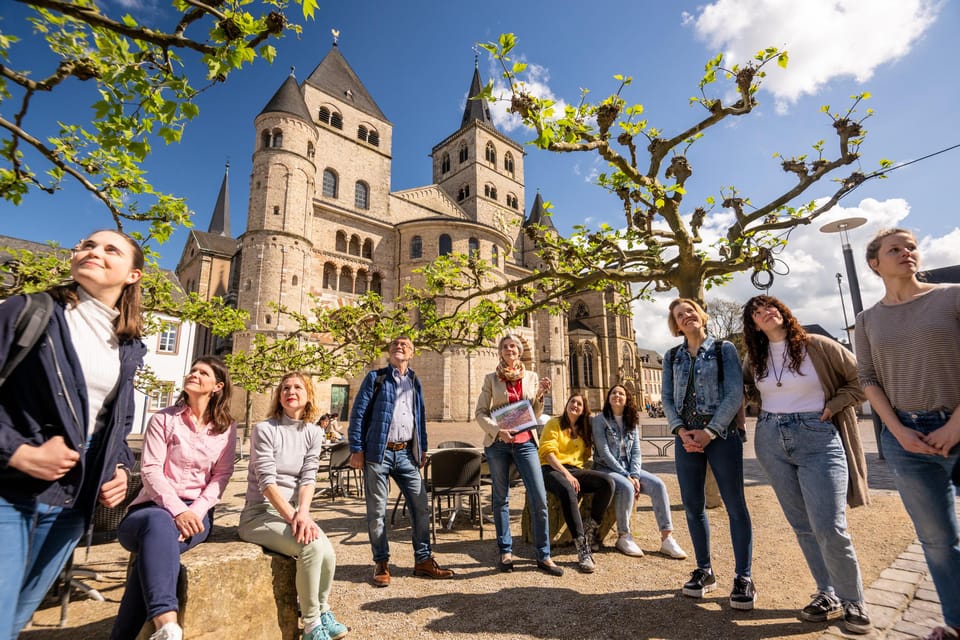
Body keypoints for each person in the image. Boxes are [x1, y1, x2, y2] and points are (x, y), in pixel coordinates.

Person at [0, 229, 146, 638]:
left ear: (132, 275)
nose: (93, 251)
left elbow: (117, 419)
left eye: (109, 249)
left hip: (73, 501)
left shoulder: (128, 344)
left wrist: (119, 465)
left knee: (14, 619)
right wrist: (17, 452)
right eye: (87, 245)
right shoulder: (28, 310)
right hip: (11, 491)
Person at [742, 295, 872, 634]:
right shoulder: (753, 356)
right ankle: (826, 593)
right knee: (802, 524)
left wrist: (834, 405)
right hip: (770, 438)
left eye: (769, 307)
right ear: (753, 324)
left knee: (829, 525)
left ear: (782, 311)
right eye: (756, 312)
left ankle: (853, 599)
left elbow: (863, 379)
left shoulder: (817, 345)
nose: (764, 313)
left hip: (818, 434)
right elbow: (745, 388)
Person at [855, 228, 960, 640]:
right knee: (937, 540)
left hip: (957, 422)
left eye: (912, 246)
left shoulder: (951, 296)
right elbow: (867, 377)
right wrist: (897, 431)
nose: (906, 253)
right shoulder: (867, 319)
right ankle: (955, 622)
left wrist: (956, 423)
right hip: (907, 439)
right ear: (875, 264)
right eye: (894, 249)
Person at [111, 356, 237, 640]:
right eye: (192, 370)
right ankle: (167, 622)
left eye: (202, 372)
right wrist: (179, 511)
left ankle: (132, 635)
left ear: (217, 386)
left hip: (196, 513)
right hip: (149, 509)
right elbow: (151, 470)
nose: (194, 373)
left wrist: (197, 511)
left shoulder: (227, 428)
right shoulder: (163, 419)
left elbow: (222, 476)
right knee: (159, 524)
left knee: (153, 554)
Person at [661, 297, 755, 610]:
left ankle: (743, 577)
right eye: (679, 315)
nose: (686, 316)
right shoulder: (672, 356)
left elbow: (734, 393)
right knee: (692, 506)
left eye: (689, 311)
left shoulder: (723, 349)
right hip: (686, 437)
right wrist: (679, 430)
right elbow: (666, 398)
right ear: (676, 325)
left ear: (701, 316)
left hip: (721, 435)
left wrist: (710, 431)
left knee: (735, 506)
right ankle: (704, 570)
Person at [240, 372, 348, 640]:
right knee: (310, 548)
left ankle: (323, 611)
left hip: (292, 513)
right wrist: (293, 517)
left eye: (298, 387)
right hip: (260, 513)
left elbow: (308, 476)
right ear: (279, 395)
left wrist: (304, 513)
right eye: (285, 387)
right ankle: (311, 625)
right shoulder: (265, 429)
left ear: (309, 394)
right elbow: (266, 481)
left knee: (328, 552)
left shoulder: (313, 431)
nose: (291, 391)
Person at [348, 336, 454, 587]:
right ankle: (381, 562)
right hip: (378, 453)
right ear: (388, 351)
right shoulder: (376, 378)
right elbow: (358, 414)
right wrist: (356, 448)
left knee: (421, 506)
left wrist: (422, 449)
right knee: (377, 512)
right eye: (395, 344)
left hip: (406, 453)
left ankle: (423, 560)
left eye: (405, 345)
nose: (399, 347)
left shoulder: (415, 382)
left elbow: (420, 418)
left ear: (412, 353)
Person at [476, 334, 563, 576]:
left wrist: (541, 395)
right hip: (498, 444)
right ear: (500, 352)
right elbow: (480, 412)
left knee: (539, 498)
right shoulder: (491, 379)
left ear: (520, 350)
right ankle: (505, 552)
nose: (509, 349)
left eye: (513, 346)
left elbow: (533, 412)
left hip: (525, 443)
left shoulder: (531, 377)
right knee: (500, 499)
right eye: (505, 346)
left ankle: (544, 555)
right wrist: (497, 430)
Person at [591, 384, 688, 560]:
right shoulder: (599, 420)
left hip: (628, 468)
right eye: (613, 393)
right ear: (608, 397)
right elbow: (604, 453)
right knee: (627, 487)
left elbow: (636, 451)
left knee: (658, 485)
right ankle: (624, 536)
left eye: (621, 393)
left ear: (627, 398)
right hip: (607, 468)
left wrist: (634, 474)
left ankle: (667, 538)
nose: (617, 396)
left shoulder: (631, 420)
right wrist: (627, 476)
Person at [538, 394, 615, 573]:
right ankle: (582, 547)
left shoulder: (583, 430)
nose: (575, 405)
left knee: (607, 482)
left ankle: (590, 526)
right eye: (572, 401)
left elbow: (588, 454)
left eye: (579, 404)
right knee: (568, 489)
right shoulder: (554, 423)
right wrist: (567, 475)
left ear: (583, 410)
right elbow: (548, 454)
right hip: (551, 469)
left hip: (574, 470)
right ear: (566, 404)